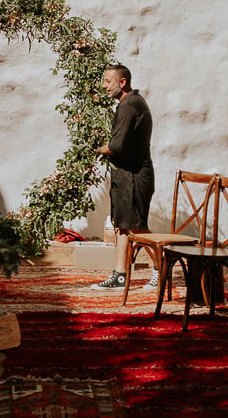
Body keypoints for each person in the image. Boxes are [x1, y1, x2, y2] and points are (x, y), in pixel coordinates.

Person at [91, 63, 156, 290]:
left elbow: (117, 146)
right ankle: (120, 275)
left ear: (122, 82)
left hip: (135, 175)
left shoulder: (130, 105)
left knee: (136, 225)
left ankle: (160, 270)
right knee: (122, 226)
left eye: (108, 81)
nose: (104, 85)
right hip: (126, 174)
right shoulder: (127, 103)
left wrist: (96, 149)